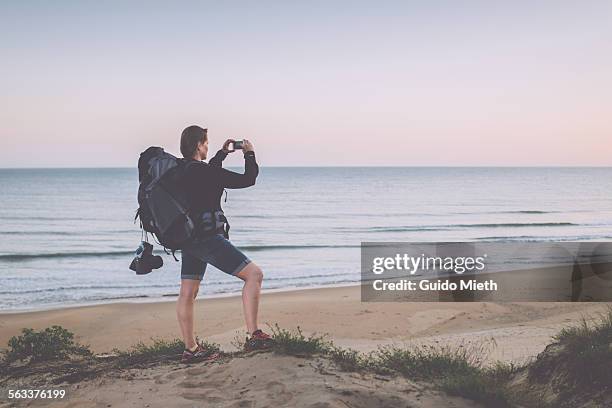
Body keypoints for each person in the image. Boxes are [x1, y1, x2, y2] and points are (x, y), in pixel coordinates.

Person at [176, 125, 273, 363]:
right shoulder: (204, 172)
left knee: (188, 292)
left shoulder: (181, 170)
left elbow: (206, 177)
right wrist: (249, 154)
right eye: (206, 143)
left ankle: (191, 349)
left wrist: (220, 154)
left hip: (187, 239)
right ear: (199, 145)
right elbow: (248, 179)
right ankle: (254, 336)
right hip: (207, 238)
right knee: (254, 275)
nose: (207, 146)